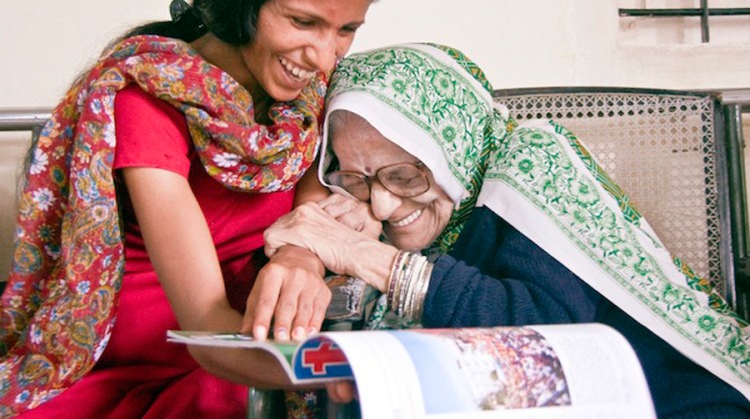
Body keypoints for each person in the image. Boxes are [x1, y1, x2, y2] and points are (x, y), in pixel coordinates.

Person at [0, 0, 385, 416]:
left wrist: (299, 259)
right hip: (173, 355)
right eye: (303, 22)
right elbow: (205, 326)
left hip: (255, 337)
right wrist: (343, 371)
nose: (325, 57)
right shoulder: (149, 102)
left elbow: (311, 223)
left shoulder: (314, 99)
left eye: (347, 30)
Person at [264, 43, 750, 417]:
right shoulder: (400, 211)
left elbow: (548, 338)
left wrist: (369, 258)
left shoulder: (533, 166)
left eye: (406, 175)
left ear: (450, 151)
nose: (386, 203)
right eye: (360, 177)